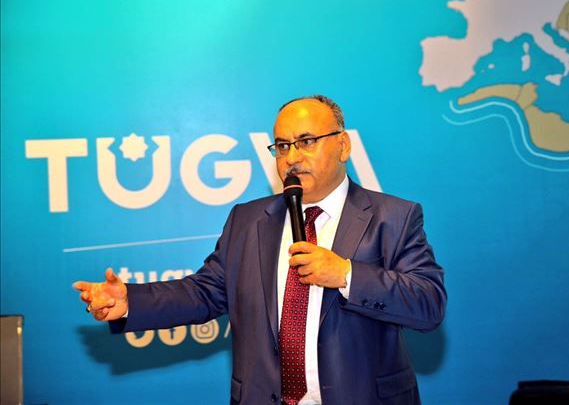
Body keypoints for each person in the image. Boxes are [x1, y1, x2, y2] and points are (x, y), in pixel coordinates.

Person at [74, 95, 447, 405]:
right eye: (282, 146)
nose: (292, 157)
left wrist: (347, 275)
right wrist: (131, 302)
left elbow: (428, 304)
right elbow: (203, 292)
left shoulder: (392, 217)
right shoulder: (248, 221)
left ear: (343, 145)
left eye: (307, 141)